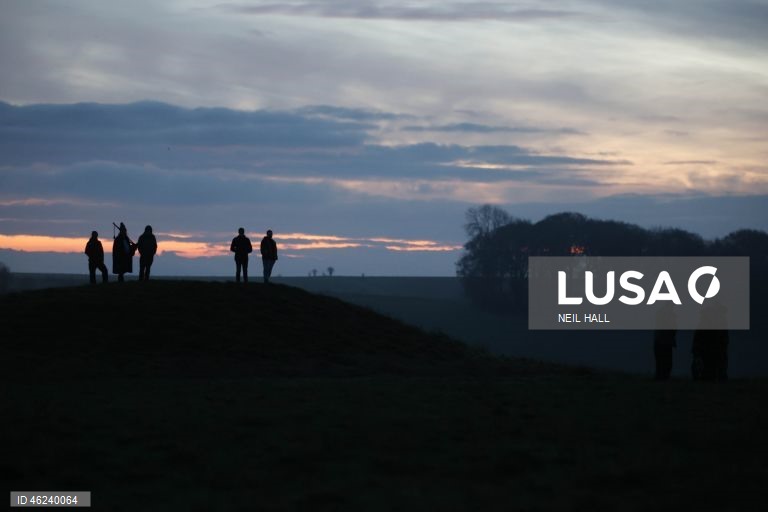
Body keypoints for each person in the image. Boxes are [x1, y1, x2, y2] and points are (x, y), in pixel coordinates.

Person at [653, 303, 676, 380]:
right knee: (665, 363)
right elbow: (674, 329)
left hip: (661, 342)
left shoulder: (661, 313)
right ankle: (663, 378)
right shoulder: (671, 315)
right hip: (664, 342)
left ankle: (661, 378)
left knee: (661, 363)